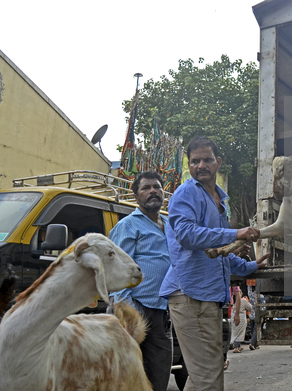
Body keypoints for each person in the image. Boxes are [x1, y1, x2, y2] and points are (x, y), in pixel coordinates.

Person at [160, 136, 269, 391]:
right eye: (195, 161)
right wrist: (236, 233)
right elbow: (187, 235)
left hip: (206, 296)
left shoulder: (220, 200)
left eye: (207, 159)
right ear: (189, 164)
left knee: (206, 376)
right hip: (189, 295)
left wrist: (250, 267)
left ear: (218, 162)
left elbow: (218, 253)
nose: (201, 165)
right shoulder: (187, 193)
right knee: (208, 377)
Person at [108, 171, 172, 391]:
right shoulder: (128, 225)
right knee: (129, 372)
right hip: (136, 308)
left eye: (157, 187)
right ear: (136, 196)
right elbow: (117, 270)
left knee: (160, 369)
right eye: (146, 188)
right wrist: (128, 311)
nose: (152, 191)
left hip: (162, 308)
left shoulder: (170, 223)